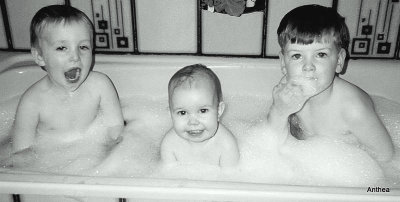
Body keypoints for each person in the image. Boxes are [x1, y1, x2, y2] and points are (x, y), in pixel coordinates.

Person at [273, 4, 393, 162]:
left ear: (339, 60)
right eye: (297, 56)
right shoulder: (287, 91)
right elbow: (267, 140)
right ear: (283, 63)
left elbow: (386, 157)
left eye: (321, 54)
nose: (308, 67)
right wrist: (280, 111)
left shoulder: (353, 110)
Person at [9, 5, 124, 166]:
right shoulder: (32, 102)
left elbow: (116, 128)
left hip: (97, 158)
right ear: (39, 56)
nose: (75, 57)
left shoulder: (101, 85)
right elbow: (21, 153)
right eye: (62, 48)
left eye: (83, 47)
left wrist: (107, 157)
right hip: (50, 162)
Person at [160, 64, 239, 167]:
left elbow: (231, 177)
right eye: (182, 112)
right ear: (170, 114)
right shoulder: (169, 143)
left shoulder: (226, 144)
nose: (193, 122)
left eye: (203, 110)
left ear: (219, 110)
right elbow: (167, 175)